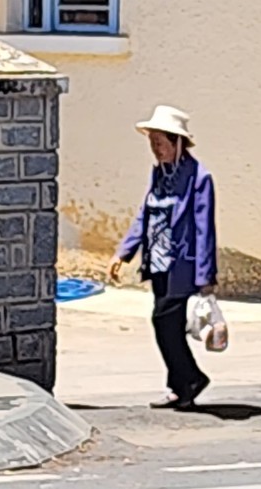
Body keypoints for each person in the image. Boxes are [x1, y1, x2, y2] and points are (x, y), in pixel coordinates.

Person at [108, 105, 219, 409]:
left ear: (177, 143)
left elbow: (203, 228)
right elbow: (145, 214)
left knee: (163, 321)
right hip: (158, 263)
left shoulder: (199, 179)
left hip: (183, 265)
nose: (155, 149)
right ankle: (179, 385)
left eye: (160, 143)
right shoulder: (159, 174)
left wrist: (205, 276)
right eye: (152, 143)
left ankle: (192, 378)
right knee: (166, 325)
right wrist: (124, 252)